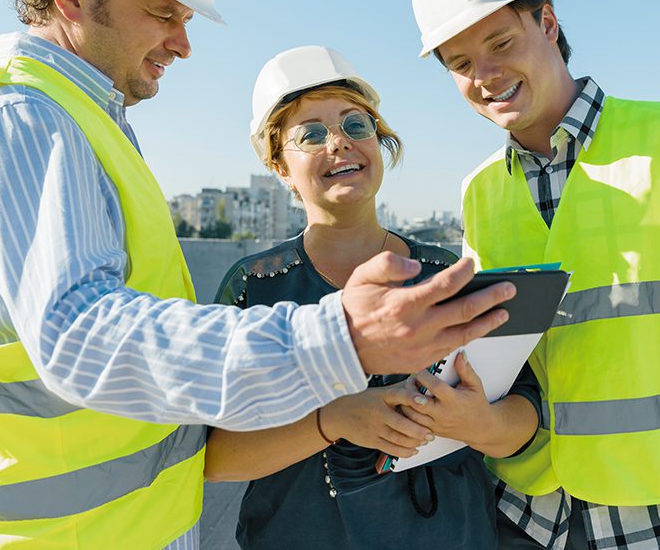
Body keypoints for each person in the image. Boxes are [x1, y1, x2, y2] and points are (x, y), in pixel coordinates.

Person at [0, 0, 514, 550]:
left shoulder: (86, 125)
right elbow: (79, 335)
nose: (183, 42)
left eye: (186, 18)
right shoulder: (21, 118)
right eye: (164, 12)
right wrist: (337, 340)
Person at [407, 0, 660, 550]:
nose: (485, 76)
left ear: (547, 23)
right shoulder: (480, 191)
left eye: (501, 43)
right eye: (461, 64)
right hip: (524, 517)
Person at [204, 45, 542, 550]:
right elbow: (211, 457)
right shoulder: (255, 286)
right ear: (279, 165)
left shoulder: (446, 275)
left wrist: (480, 422)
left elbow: (526, 418)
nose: (339, 143)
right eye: (310, 134)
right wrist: (332, 421)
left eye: (355, 125)